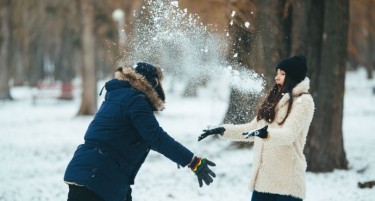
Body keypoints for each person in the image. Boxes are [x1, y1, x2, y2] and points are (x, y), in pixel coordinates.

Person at [64, 62, 216, 201]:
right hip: (97, 178)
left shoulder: (119, 96)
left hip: (92, 174)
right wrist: (192, 161)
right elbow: (157, 138)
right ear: (151, 85)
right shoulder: (135, 101)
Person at [198, 55, 315, 201]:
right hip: (263, 182)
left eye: (282, 74)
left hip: (288, 184)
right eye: (277, 73)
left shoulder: (303, 102)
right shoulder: (274, 99)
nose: (277, 77)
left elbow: (289, 134)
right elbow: (252, 129)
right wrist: (223, 130)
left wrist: (265, 133)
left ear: (293, 77)